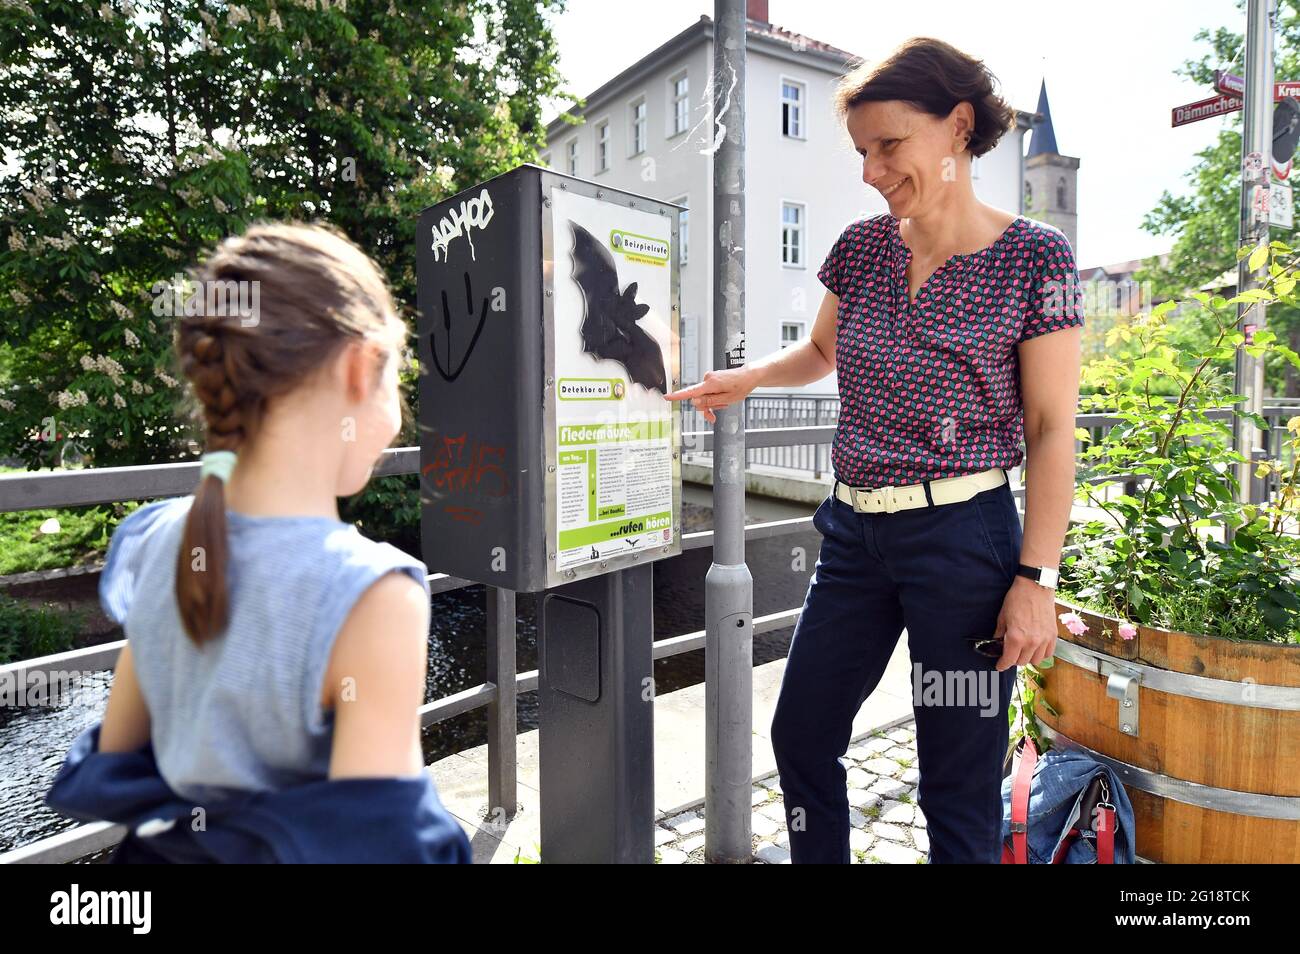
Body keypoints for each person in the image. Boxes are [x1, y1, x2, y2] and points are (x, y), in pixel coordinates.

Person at [664, 37, 1084, 863]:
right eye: (861, 151)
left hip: (965, 544)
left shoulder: (1038, 259)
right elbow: (820, 353)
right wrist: (746, 378)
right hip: (854, 538)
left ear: (957, 127)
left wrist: (1036, 580)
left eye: (889, 145)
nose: (871, 170)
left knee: (955, 779)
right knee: (801, 734)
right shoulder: (861, 249)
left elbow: (1051, 429)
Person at [44, 222, 471, 863]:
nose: (398, 411)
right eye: (395, 377)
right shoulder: (375, 594)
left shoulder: (155, 540)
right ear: (358, 366)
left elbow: (116, 756)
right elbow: (378, 846)